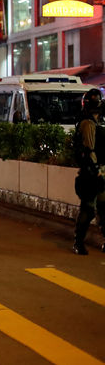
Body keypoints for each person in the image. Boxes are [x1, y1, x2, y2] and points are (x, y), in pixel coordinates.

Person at [72, 88, 105, 255]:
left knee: (103, 207)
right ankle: (78, 242)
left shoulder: (95, 122)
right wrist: (96, 172)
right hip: (91, 171)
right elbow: (89, 149)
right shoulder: (88, 123)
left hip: (98, 169)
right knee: (88, 208)